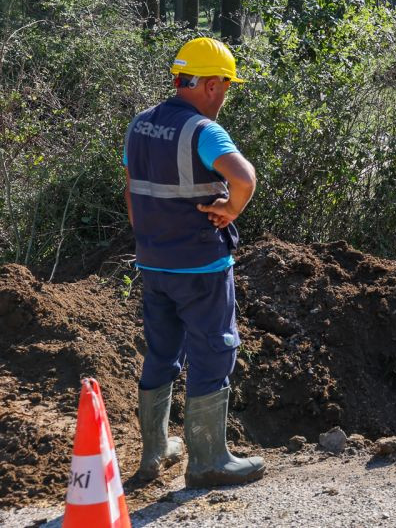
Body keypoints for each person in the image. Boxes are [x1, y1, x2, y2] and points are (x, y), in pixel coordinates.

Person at [124, 37, 265, 488]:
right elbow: (244, 178)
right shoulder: (203, 131)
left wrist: (150, 238)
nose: (224, 95)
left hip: (153, 263)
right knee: (213, 349)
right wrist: (231, 209)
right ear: (207, 84)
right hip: (201, 266)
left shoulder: (140, 124)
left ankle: (155, 451)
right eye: (224, 86)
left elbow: (132, 191)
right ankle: (207, 461)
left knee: (162, 350)